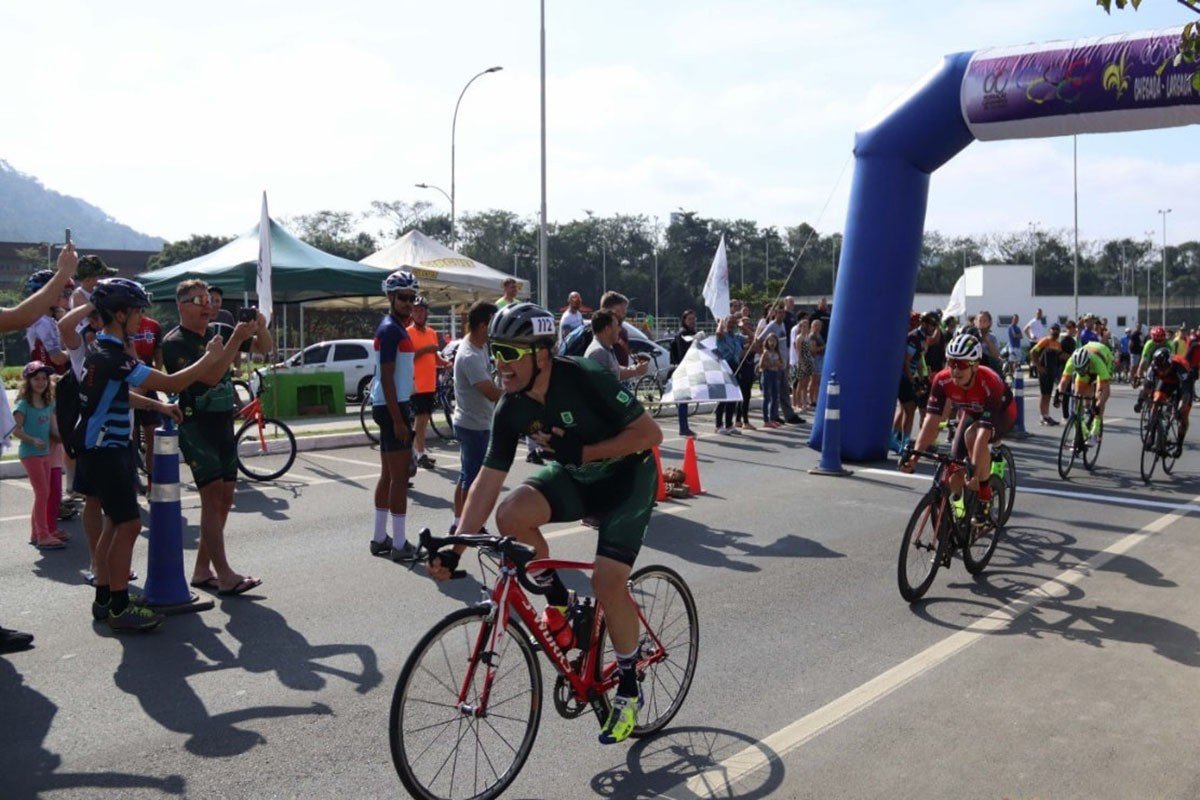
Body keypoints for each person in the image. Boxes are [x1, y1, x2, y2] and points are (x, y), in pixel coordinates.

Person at [426, 302, 663, 745]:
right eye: (496, 351)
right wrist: (455, 545)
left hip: (626, 479)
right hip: (577, 478)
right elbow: (487, 480)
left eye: (511, 353)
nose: (500, 363)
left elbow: (652, 435)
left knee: (610, 582)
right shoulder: (512, 406)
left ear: (542, 354)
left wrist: (586, 452)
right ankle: (559, 600)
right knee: (511, 514)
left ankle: (629, 685)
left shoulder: (585, 377)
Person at [80, 278, 227, 631]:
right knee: (129, 525)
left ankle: (104, 598)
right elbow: (174, 383)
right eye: (136, 311)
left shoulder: (101, 351)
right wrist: (209, 358)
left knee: (115, 522)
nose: (142, 318)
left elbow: (119, 396)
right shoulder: (114, 356)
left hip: (101, 448)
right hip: (108, 449)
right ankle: (118, 606)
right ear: (119, 314)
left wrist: (155, 408)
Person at [163, 279, 271, 596]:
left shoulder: (218, 334)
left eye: (210, 299)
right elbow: (209, 377)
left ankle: (202, 570)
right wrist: (237, 338)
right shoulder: (175, 342)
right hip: (196, 426)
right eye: (199, 300)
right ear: (181, 305)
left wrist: (260, 327)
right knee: (211, 498)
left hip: (223, 423)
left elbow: (264, 349)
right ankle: (224, 574)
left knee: (225, 499)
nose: (207, 305)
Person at [0, 242, 77, 653]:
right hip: (28, 435)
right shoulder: (41, 321)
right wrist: (63, 273)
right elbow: (19, 316)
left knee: (52, 480)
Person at [900, 333, 1016, 526]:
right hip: (971, 410)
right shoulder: (942, 379)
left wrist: (976, 474)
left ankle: (985, 496)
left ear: (975, 365)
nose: (954, 369)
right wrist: (915, 457)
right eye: (951, 362)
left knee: (973, 438)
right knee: (954, 468)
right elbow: (931, 421)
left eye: (961, 364)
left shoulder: (990, 381)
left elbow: (981, 436)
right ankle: (959, 513)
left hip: (1002, 413)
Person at [368, 271, 422, 562]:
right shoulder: (390, 329)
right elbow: (387, 376)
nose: (408, 303)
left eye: (412, 298)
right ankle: (400, 543)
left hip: (390, 404)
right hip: (393, 405)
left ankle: (380, 538)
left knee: (389, 475)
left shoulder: (396, 328)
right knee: (400, 477)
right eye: (403, 297)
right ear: (390, 297)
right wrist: (399, 420)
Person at [450, 301, 501, 535]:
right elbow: (490, 392)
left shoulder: (480, 346)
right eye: (494, 323)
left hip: (477, 421)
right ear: (483, 325)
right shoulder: (470, 354)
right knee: (474, 480)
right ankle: (470, 525)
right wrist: (516, 394)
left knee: (467, 474)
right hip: (472, 425)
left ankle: (459, 521)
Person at [13, 361, 63, 550]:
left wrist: (64, 439)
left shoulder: (49, 403)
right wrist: (32, 439)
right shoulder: (23, 405)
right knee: (43, 493)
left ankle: (37, 533)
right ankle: (43, 535)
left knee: (44, 493)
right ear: (28, 381)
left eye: (44, 379)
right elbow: (15, 430)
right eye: (36, 379)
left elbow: (53, 429)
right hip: (30, 454)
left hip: (45, 453)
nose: (41, 382)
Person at [407, 296, 448, 470]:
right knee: (419, 421)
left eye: (421, 310)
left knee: (424, 420)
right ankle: (418, 453)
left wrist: (446, 362)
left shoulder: (432, 333)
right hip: (416, 384)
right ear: (412, 313)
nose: (418, 313)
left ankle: (420, 452)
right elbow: (409, 357)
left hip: (430, 383)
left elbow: (435, 356)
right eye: (415, 310)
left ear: (426, 313)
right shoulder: (408, 332)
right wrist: (426, 350)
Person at [1055, 341, 1114, 448]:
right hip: (1087, 362)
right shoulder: (1072, 360)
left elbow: (1107, 391)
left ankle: (1095, 432)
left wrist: (1098, 404)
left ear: (1087, 363)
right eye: (1078, 370)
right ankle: (1079, 434)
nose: (1080, 371)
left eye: (1082, 369)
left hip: (1105, 358)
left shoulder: (1097, 363)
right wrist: (1058, 395)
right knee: (1078, 395)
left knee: (1099, 393)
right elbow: (1063, 381)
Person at [130, 308, 165, 486]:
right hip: (128, 382)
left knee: (153, 433)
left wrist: (154, 379)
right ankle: (132, 476)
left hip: (148, 381)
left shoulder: (153, 325)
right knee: (131, 436)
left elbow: (159, 355)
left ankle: (152, 481)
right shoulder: (122, 325)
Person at [1143, 348, 1194, 456]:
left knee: (1183, 415)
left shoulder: (1180, 366)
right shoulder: (1153, 366)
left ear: (1170, 364)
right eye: (1159, 368)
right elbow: (1147, 386)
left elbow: (1186, 394)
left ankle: (1179, 445)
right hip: (1166, 382)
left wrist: (1181, 408)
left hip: (1183, 386)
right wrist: (1142, 400)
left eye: (1164, 368)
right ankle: (1152, 436)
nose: (1161, 370)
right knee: (1156, 401)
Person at [1029, 323, 1064, 425]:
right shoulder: (1045, 341)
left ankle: (1047, 415)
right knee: (1044, 394)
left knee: (1048, 394)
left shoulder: (1058, 344)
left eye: (1057, 329)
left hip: (1052, 371)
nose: (1055, 331)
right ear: (1050, 330)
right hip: (1044, 371)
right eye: (1053, 329)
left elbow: (1061, 356)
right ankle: (1042, 416)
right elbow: (1033, 352)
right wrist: (1038, 366)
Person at [670, 310, 699, 436]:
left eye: (693, 319)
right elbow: (683, 354)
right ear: (684, 320)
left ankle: (684, 426)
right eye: (689, 319)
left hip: (691, 369)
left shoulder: (694, 334)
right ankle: (683, 427)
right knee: (683, 400)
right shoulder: (682, 334)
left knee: (685, 401)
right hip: (683, 370)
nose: (692, 321)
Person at [757, 332, 786, 428]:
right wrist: (772, 364)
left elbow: (781, 364)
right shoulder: (766, 352)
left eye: (774, 341)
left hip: (775, 374)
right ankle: (766, 420)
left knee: (774, 397)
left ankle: (773, 418)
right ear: (767, 342)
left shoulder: (777, 352)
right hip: (767, 374)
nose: (772, 343)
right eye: (770, 341)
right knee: (767, 397)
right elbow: (761, 365)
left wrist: (779, 364)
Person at [584, 308, 622, 379]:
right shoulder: (599, 353)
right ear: (607, 329)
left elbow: (613, 370)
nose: (619, 329)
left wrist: (635, 370)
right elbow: (604, 388)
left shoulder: (606, 348)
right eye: (616, 326)